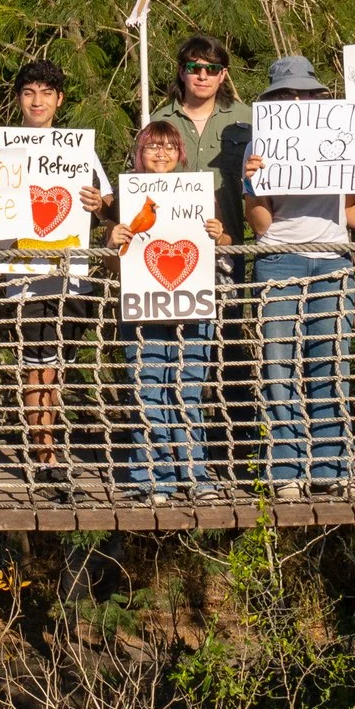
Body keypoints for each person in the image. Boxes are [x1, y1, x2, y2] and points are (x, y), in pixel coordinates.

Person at [243, 55, 355, 499]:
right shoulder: (259, 148)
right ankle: (285, 468)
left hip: (333, 261)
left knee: (330, 361)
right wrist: (254, 184)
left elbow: (348, 208)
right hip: (278, 261)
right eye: (288, 93)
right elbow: (260, 225)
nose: (299, 99)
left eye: (307, 92)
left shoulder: (340, 139)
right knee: (278, 367)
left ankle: (330, 465)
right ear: (274, 100)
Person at [0, 59, 113, 488]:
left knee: (56, 366)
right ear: (18, 99)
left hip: (70, 271)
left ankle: (52, 448)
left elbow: (109, 206)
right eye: (29, 92)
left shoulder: (79, 150)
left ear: (59, 100)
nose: (37, 101)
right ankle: (43, 454)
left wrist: (97, 203)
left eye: (46, 93)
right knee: (34, 366)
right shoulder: (0, 152)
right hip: (23, 271)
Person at [110, 120, 234, 497]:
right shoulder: (125, 196)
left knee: (188, 389)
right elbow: (114, 263)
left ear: (180, 153)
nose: (160, 154)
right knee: (148, 391)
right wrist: (112, 240)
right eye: (152, 146)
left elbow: (224, 242)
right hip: (144, 307)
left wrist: (219, 234)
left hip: (192, 305)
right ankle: (153, 475)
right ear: (139, 153)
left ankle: (195, 476)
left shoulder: (198, 193)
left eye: (168, 146)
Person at [153, 33, 252, 235]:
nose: (203, 76)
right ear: (182, 72)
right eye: (194, 68)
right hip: (171, 238)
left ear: (223, 75)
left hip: (229, 244)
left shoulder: (248, 119)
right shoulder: (158, 122)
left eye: (212, 69)